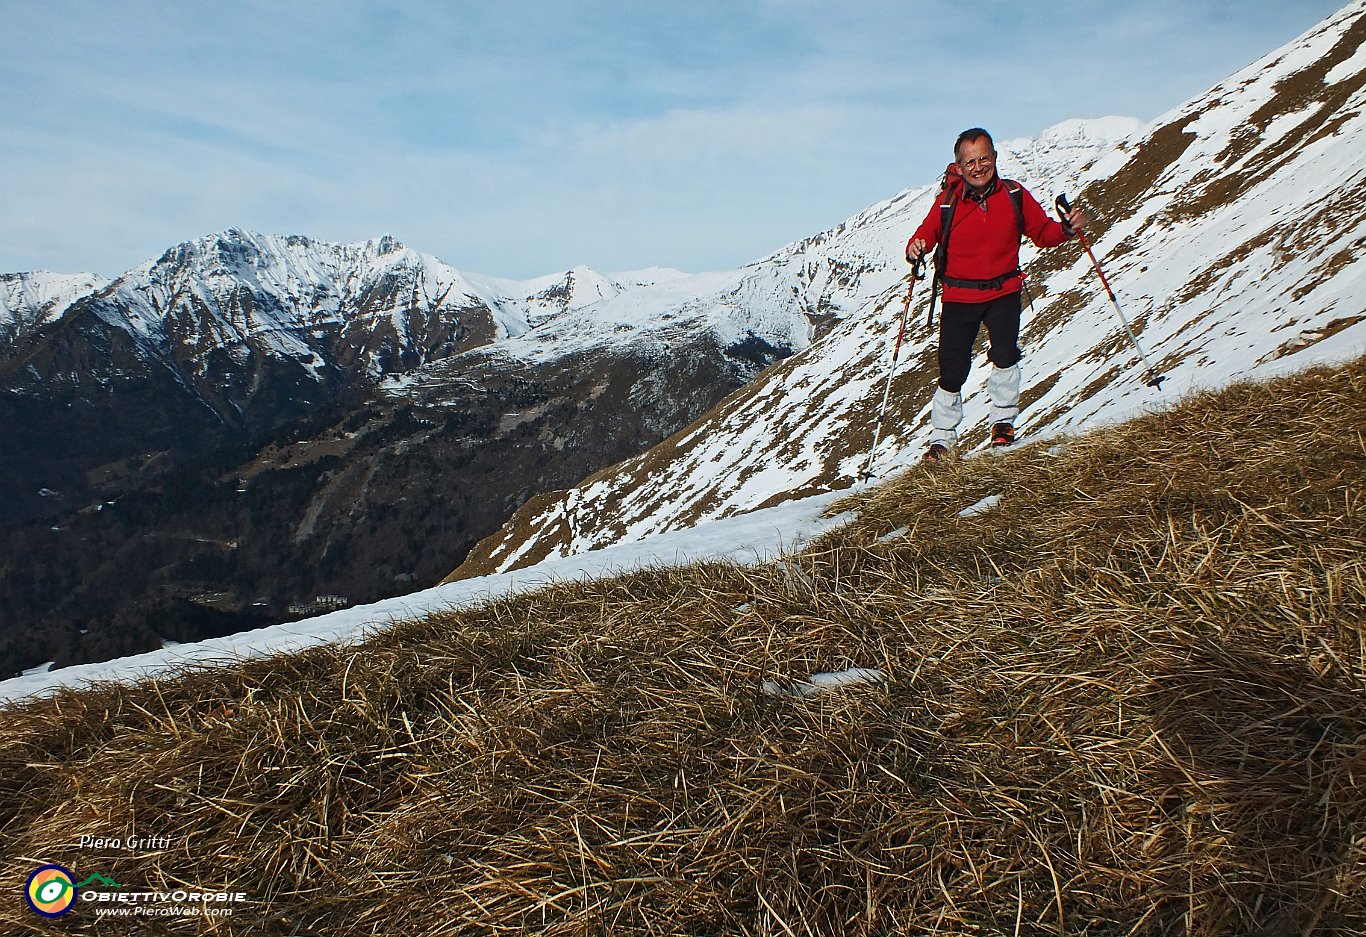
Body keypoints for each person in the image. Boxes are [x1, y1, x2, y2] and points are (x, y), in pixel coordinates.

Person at [906, 127, 1088, 462]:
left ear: (995, 158)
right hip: (959, 298)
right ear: (958, 167)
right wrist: (915, 248)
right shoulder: (946, 204)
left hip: (1003, 291)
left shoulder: (1015, 195)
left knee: (1005, 355)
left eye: (984, 158)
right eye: (970, 161)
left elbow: (1042, 232)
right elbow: (924, 235)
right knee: (952, 369)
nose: (978, 167)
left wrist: (1065, 230)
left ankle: (1002, 424)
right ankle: (942, 441)